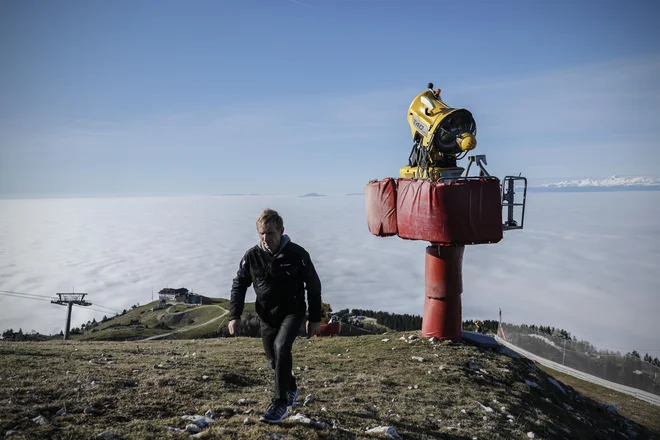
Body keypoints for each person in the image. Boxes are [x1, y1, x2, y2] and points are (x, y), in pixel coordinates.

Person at [228, 208, 323, 424]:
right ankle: (291, 387)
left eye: (270, 233)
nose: (266, 238)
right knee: (273, 360)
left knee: (282, 348)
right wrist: (235, 315)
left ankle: (280, 404)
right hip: (266, 316)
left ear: (281, 231)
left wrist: (315, 319)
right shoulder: (252, 256)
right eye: (262, 233)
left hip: (293, 312)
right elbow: (239, 284)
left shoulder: (298, 254)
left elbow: (314, 287)